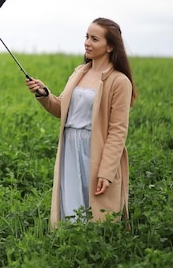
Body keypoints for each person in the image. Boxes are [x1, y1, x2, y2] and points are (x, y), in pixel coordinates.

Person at [26, 17, 136, 228]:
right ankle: (70, 248)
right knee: (70, 202)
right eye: (87, 36)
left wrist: (107, 171)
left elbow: (118, 132)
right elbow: (62, 110)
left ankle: (95, 250)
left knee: (97, 210)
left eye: (95, 39)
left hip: (95, 148)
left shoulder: (119, 81)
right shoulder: (80, 72)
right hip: (70, 146)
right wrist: (44, 94)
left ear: (110, 46)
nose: (87, 42)